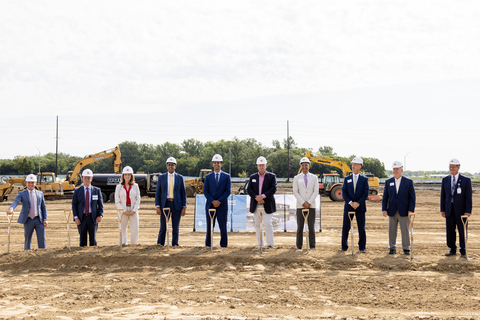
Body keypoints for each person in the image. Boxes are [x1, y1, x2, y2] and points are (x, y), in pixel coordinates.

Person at [382, 161, 416, 255]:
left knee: (405, 230)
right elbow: (385, 197)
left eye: (397, 169)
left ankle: (406, 248)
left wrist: (411, 210)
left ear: (402, 170)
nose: (395, 171)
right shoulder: (388, 182)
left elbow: (412, 197)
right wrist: (384, 209)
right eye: (394, 169)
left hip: (404, 211)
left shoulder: (408, 182)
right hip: (392, 210)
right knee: (391, 230)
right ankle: (392, 248)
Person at [6, 174, 48, 250]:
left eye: (32, 183)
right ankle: (26, 254)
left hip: (39, 220)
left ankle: (43, 253)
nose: (30, 184)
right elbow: (16, 201)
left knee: (42, 237)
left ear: (35, 183)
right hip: (28, 220)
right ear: (26, 183)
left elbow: (43, 207)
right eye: (29, 182)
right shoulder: (21, 193)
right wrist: (11, 208)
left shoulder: (40, 194)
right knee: (28, 238)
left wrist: (45, 219)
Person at [441, 158, 472, 258]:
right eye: (450, 167)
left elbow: (468, 197)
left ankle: (463, 251)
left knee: (462, 231)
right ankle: (452, 249)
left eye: (454, 167)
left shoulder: (466, 180)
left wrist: (468, 211)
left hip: (461, 211)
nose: (452, 168)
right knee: (450, 230)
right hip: (449, 210)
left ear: (459, 167)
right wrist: (442, 209)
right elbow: (443, 196)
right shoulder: (445, 180)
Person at [155, 157, 187, 246]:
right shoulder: (161, 177)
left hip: (177, 205)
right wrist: (158, 206)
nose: (170, 166)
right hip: (165, 204)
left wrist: (184, 207)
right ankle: (160, 244)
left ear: (175, 166)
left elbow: (183, 193)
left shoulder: (180, 178)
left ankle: (175, 244)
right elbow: (158, 193)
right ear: (166, 166)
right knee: (163, 227)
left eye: (172, 165)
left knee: (175, 227)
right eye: (169, 165)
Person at [247, 156, 277, 248]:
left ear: (266, 166)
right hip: (256, 204)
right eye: (259, 165)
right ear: (257, 166)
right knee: (257, 225)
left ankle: (270, 244)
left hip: (267, 203)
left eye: (263, 165)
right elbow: (249, 189)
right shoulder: (252, 177)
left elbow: (273, 188)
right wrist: (256, 197)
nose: (261, 167)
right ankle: (260, 244)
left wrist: (263, 196)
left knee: (267, 223)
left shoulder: (272, 176)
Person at [341, 156, 369, 253]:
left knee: (361, 227)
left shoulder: (364, 179)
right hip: (348, 206)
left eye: (355, 164)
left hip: (360, 207)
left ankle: (362, 247)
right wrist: (350, 202)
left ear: (360, 166)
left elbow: (365, 193)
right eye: (352, 164)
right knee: (345, 227)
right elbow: (344, 192)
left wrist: (358, 203)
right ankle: (344, 246)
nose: (353, 166)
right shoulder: (347, 178)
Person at [203, 154, 232, 247]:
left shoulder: (227, 176)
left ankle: (223, 244)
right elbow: (205, 191)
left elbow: (228, 191)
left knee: (223, 227)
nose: (216, 164)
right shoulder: (208, 177)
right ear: (212, 164)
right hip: (210, 205)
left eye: (218, 163)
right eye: (215, 163)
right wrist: (212, 201)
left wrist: (219, 201)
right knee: (209, 226)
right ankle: (208, 244)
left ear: (221, 164)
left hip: (222, 206)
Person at [72, 169, 104, 247]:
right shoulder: (77, 191)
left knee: (93, 239)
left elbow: (100, 204)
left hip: (93, 218)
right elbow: (74, 205)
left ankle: (93, 256)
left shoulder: (97, 190)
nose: (87, 179)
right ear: (82, 178)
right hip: (81, 218)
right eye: (85, 177)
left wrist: (100, 215)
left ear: (91, 179)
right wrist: (76, 217)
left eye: (88, 178)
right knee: (82, 239)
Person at [292, 157, 319, 250]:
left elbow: (316, 191)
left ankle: (312, 245)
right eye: (303, 165)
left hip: (311, 206)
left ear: (309, 166)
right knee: (300, 227)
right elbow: (295, 191)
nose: (304, 167)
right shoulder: (296, 178)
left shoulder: (314, 177)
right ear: (301, 166)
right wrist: (303, 202)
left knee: (311, 227)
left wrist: (309, 202)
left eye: (306, 165)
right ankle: (299, 246)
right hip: (300, 206)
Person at [115, 166, 141, 245]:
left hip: (133, 210)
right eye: (125, 175)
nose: (127, 176)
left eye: (129, 175)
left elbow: (138, 199)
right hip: (123, 210)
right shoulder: (118, 187)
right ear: (123, 176)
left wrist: (134, 210)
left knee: (135, 229)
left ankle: (133, 244)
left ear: (131, 176)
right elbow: (117, 201)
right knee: (122, 229)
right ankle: (123, 244)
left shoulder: (135, 186)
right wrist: (123, 211)